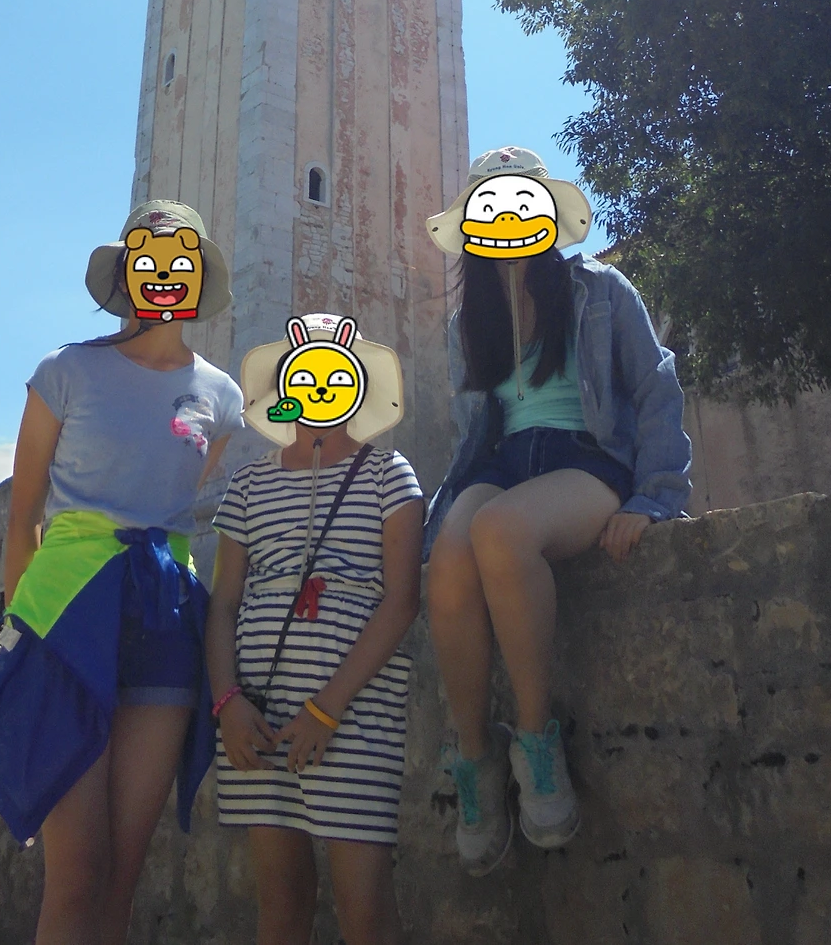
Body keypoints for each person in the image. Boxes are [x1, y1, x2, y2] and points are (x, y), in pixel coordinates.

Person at [0, 201, 243, 945]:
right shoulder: (66, 371)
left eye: (179, 262)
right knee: (78, 871)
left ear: (199, 276)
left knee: (123, 872)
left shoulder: (222, 397)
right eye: (148, 261)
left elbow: (177, 509)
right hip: (65, 621)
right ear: (125, 274)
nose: (163, 275)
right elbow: (24, 516)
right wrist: (16, 633)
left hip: (165, 623)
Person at [423, 147, 691, 874]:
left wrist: (655, 497)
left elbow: (655, 387)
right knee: (448, 558)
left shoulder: (599, 290)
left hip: (586, 456)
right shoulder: (466, 324)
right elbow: (474, 433)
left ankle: (537, 742)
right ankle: (476, 757)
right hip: (504, 463)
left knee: (500, 533)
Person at [206, 313, 423, 945]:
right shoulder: (248, 485)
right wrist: (227, 704)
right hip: (258, 720)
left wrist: (327, 709)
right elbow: (223, 605)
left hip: (356, 716)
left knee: (365, 908)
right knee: (281, 903)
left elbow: (402, 601)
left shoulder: (389, 474)